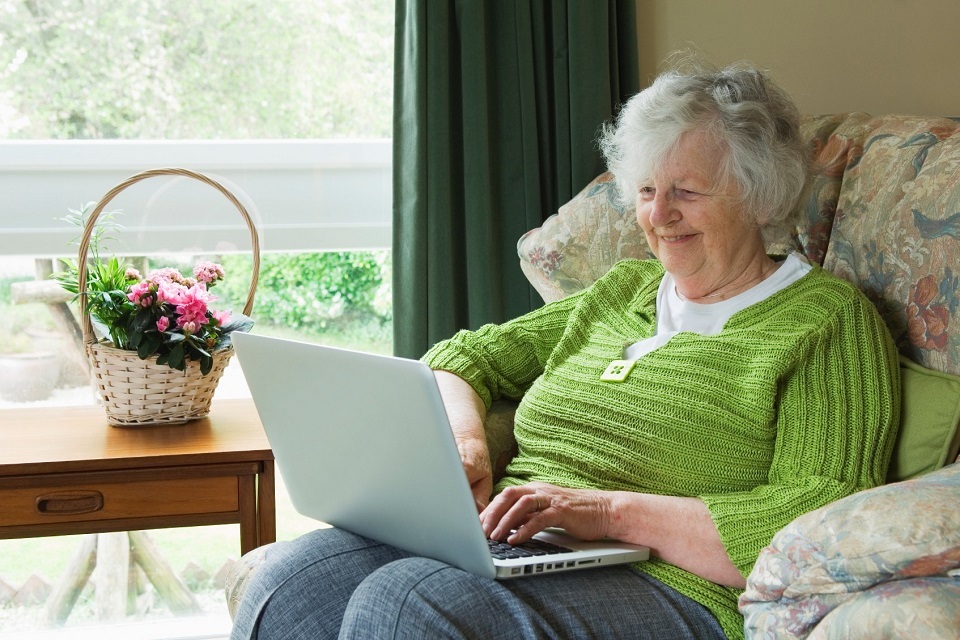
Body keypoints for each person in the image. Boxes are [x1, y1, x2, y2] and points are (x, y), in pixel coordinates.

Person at [230, 62, 900, 640]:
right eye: (645, 189)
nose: (657, 215)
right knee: (291, 585)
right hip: (515, 543)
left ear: (758, 196)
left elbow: (816, 521)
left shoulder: (825, 322)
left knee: (408, 599)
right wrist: (466, 445)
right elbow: (467, 357)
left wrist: (607, 511)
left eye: (686, 193)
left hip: (675, 588)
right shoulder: (626, 289)